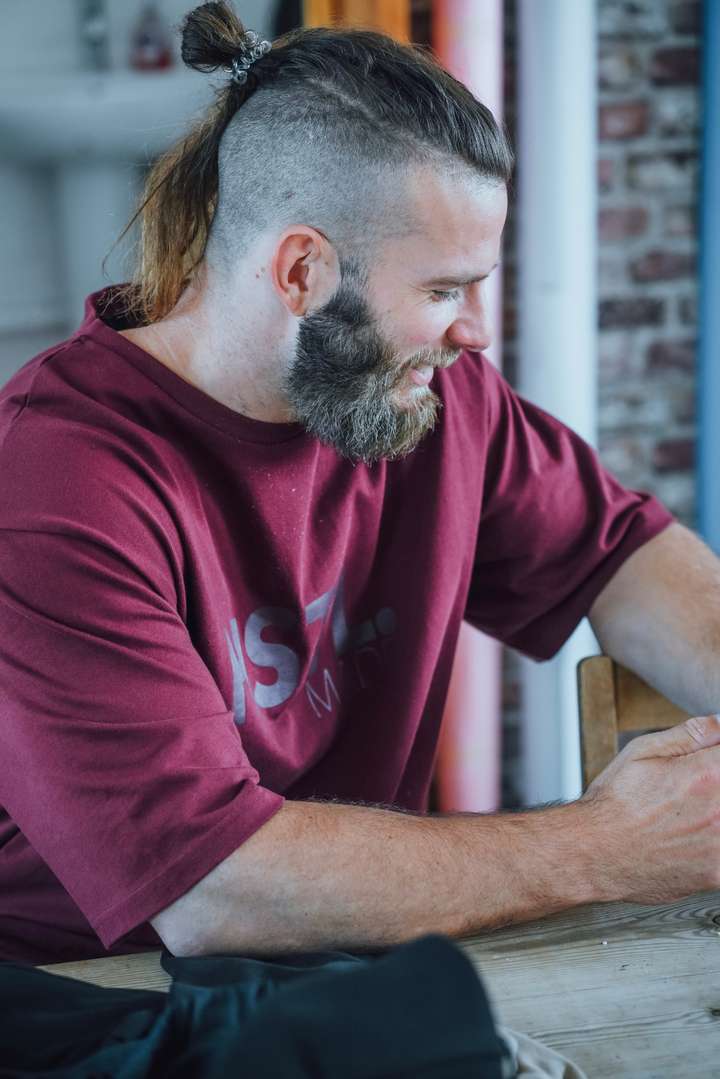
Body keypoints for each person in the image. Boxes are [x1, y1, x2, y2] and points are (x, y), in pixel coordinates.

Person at [1, 1, 719, 969]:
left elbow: (623, 556)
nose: (477, 332)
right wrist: (611, 844)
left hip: (337, 965)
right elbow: (214, 886)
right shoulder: (54, 483)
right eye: (442, 290)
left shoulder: (427, 400)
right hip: (90, 996)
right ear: (301, 271)